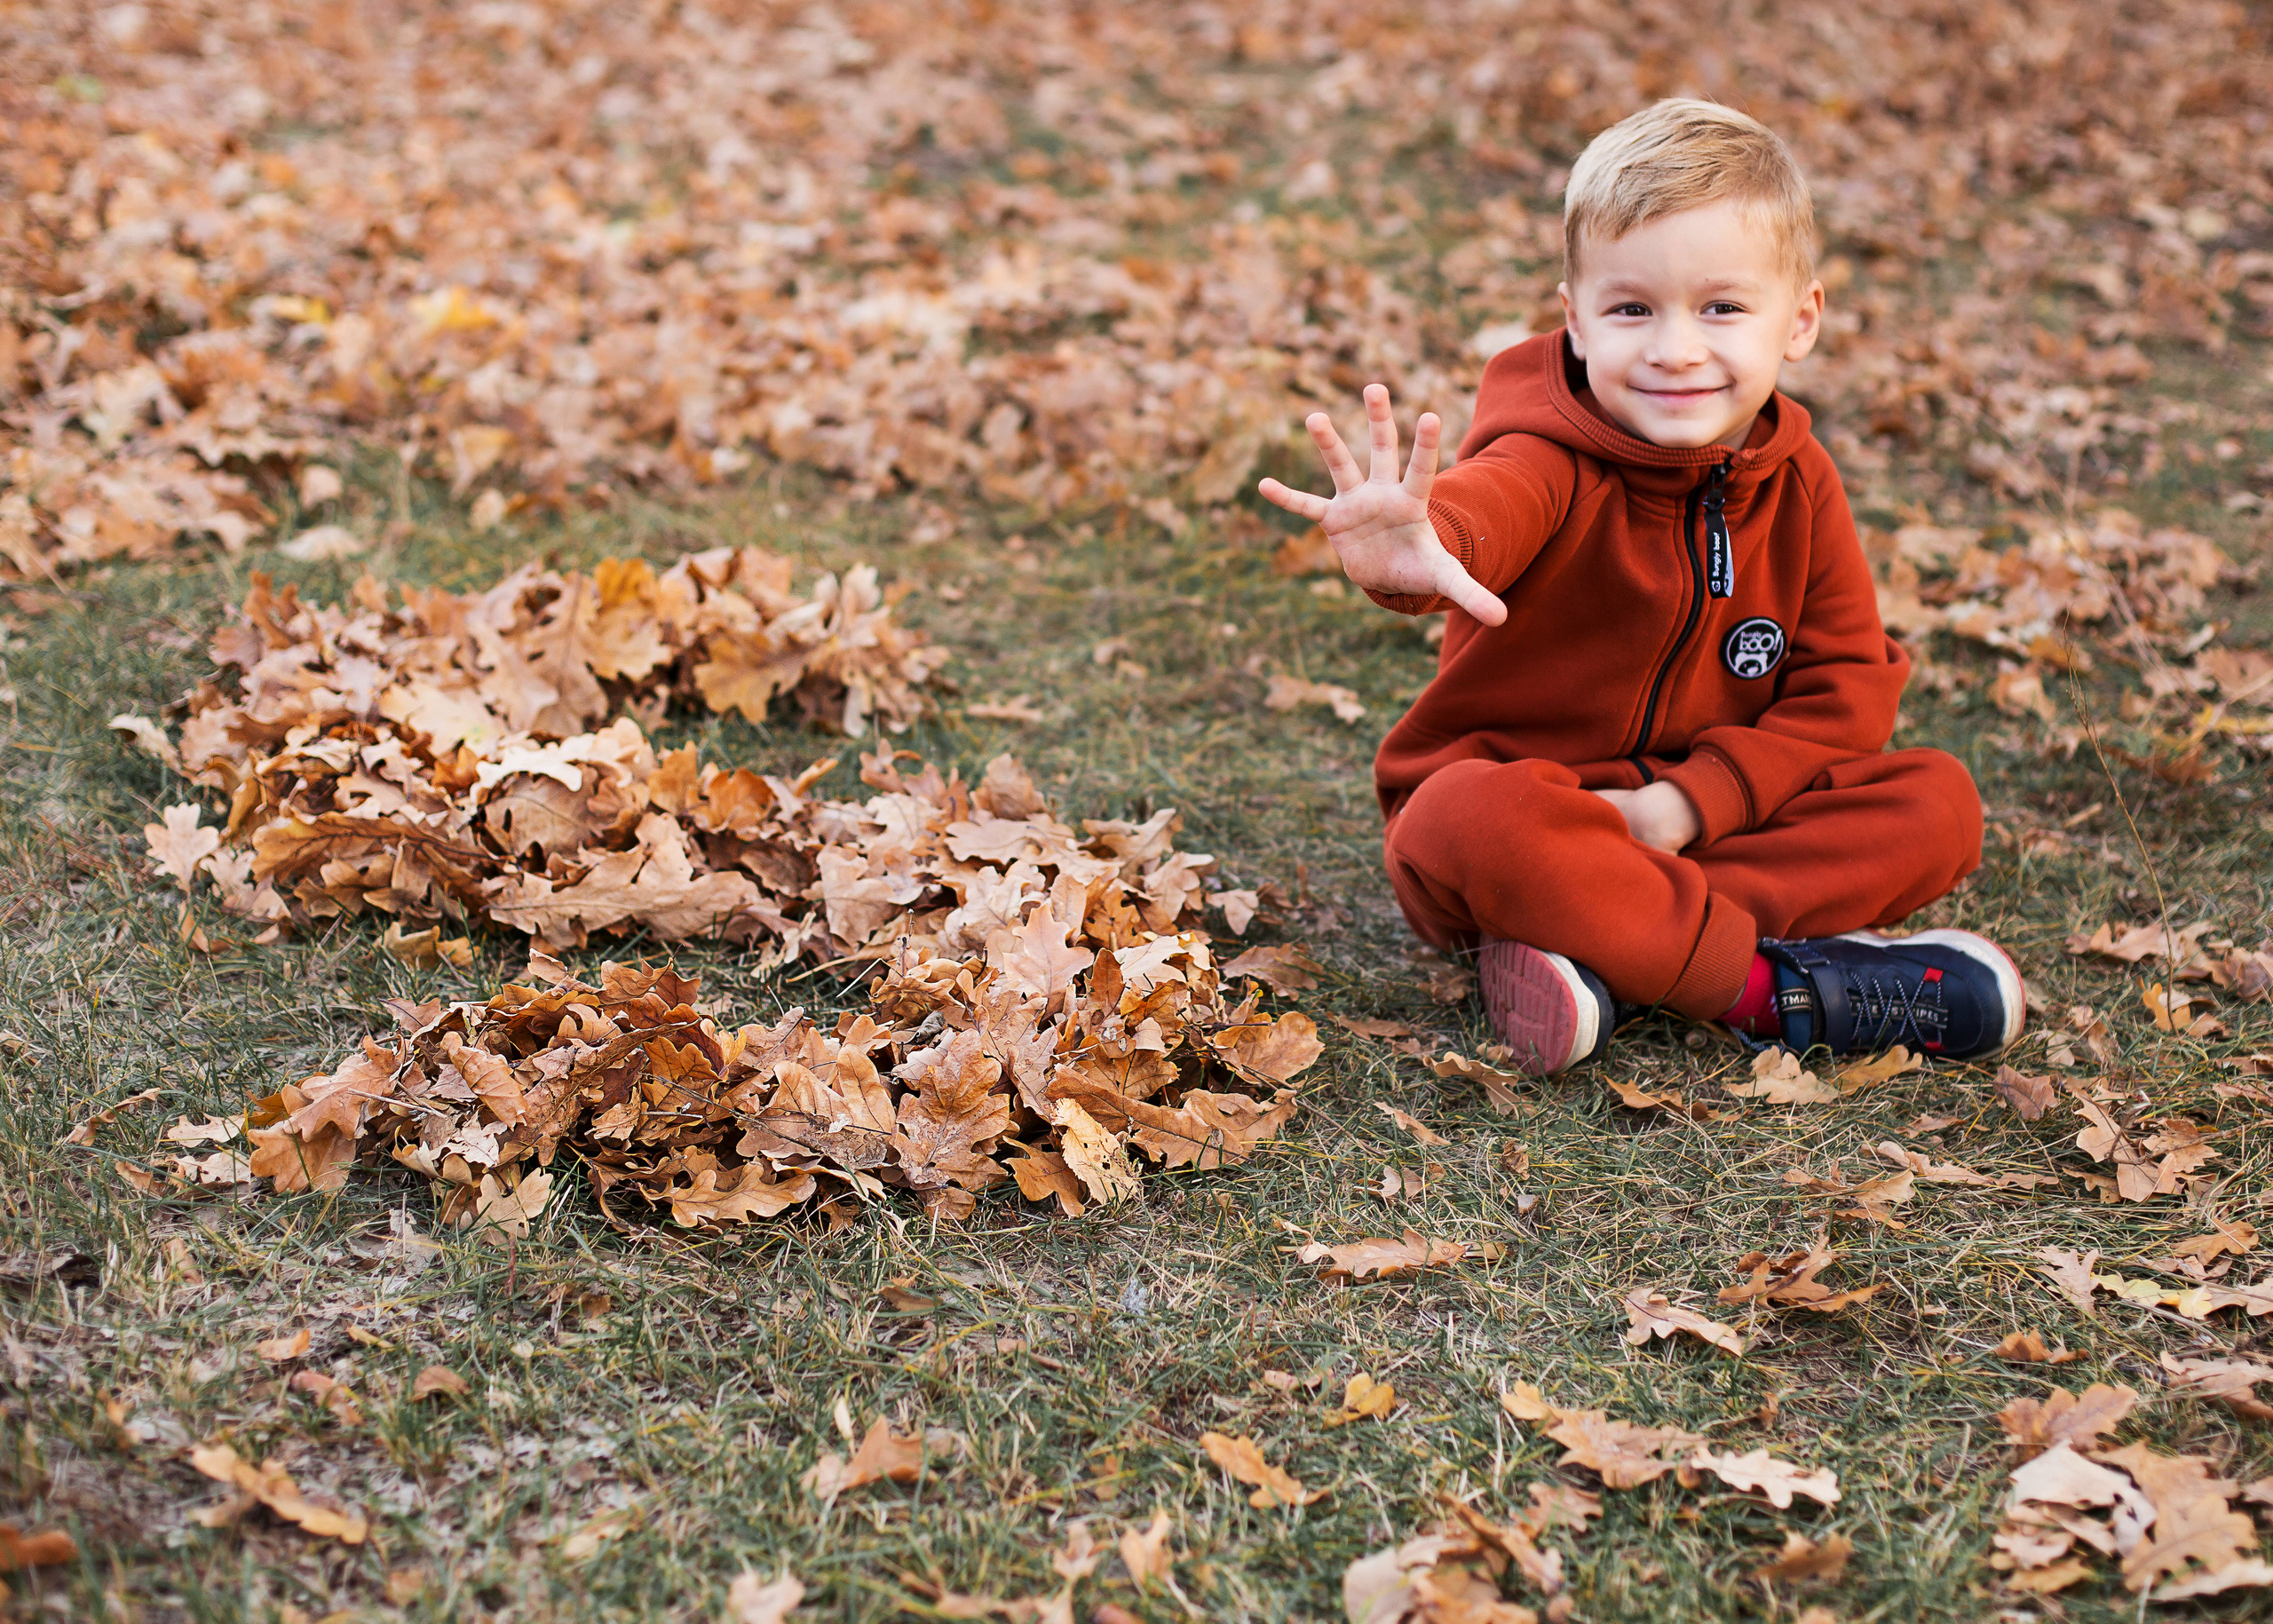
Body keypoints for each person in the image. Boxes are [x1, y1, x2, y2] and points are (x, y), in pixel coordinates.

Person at [1258, 99, 2023, 1074]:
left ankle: (1608, 953)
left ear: (1800, 320)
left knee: (1938, 801)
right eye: (1631, 309)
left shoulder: (1799, 482)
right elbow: (1482, 511)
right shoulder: (1547, 456)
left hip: (1699, 824)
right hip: (1530, 814)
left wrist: (1682, 809)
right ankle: (1770, 989)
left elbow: (1843, 697)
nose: (1673, 348)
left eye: (1720, 307)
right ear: (1573, 321)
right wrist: (1422, 544)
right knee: (1459, 818)